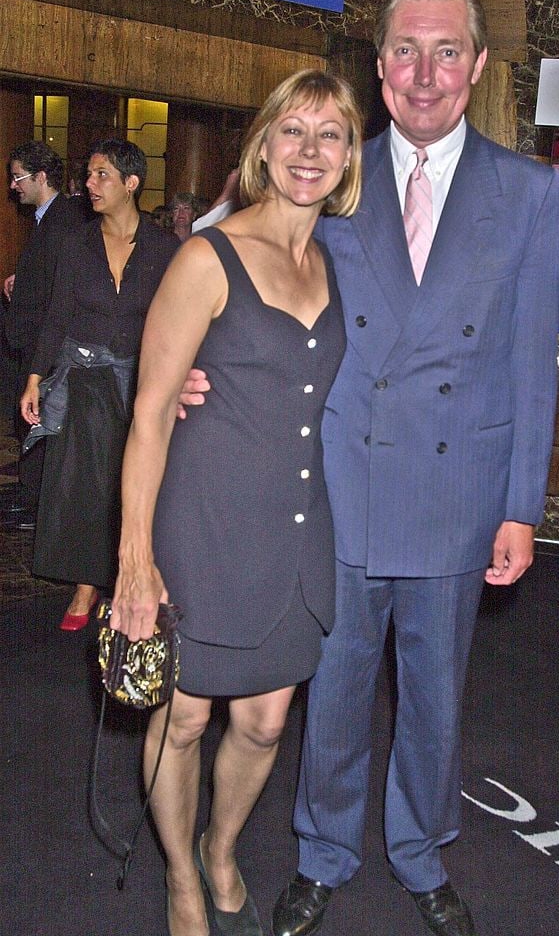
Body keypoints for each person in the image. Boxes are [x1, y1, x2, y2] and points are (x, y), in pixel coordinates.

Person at [180, 0, 559, 936]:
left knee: (434, 699)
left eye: (446, 52)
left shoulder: (527, 189)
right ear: (379, 66)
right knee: (338, 692)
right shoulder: (333, 173)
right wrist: (188, 366)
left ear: (477, 66)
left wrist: (522, 505)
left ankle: (421, 852)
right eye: (405, 51)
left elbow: (531, 361)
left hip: (460, 489)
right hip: (340, 483)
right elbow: (232, 256)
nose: (424, 73)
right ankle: (324, 852)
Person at [111, 69, 362, 936]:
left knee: (263, 724)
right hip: (204, 524)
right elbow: (149, 416)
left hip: (295, 532)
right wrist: (134, 563)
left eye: (330, 135)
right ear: (263, 145)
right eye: (293, 130)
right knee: (183, 720)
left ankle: (221, 849)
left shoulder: (333, 260)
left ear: (349, 156)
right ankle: (182, 876)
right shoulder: (205, 257)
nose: (309, 150)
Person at [20, 139, 179, 630]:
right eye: (89, 174)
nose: (89, 184)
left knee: (133, 485)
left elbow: (178, 321)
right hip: (85, 380)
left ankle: (131, 576)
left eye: (101, 174)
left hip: (140, 384)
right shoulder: (76, 243)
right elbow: (57, 317)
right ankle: (87, 585)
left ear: (131, 183)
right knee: (86, 487)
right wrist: (34, 379)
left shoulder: (165, 249)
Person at [2, 141, 88, 530]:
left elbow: (63, 289)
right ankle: (31, 497)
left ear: (40, 177)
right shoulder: (48, 218)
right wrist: (21, 280)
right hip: (36, 340)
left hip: (45, 344)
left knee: (40, 423)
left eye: (18, 177)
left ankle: (39, 507)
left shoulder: (63, 220)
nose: (13, 186)